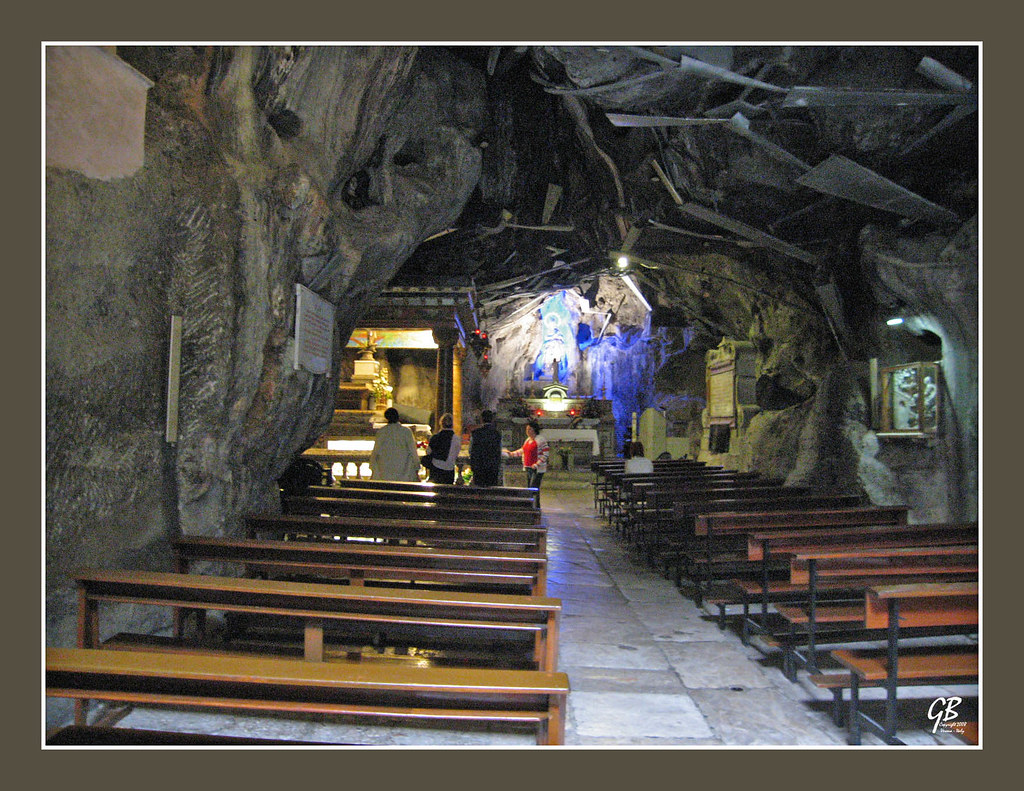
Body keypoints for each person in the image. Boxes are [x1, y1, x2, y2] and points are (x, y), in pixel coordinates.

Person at [368, 407, 420, 482]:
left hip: (384, 471)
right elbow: (413, 451)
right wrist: (417, 468)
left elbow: (376, 451)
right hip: (404, 472)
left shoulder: (382, 432)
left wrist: (372, 467)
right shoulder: (406, 431)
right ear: (398, 417)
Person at [508, 419, 549, 495]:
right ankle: (531, 501)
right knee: (529, 488)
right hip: (528, 467)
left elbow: (545, 454)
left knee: (533, 488)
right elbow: (523, 450)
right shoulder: (528, 440)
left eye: (529, 429)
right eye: (527, 429)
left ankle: (535, 501)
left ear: (534, 430)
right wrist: (512, 454)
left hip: (537, 469)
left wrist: (537, 464)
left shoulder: (541, 440)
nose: (527, 431)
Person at [468, 409, 503, 487]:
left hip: (479, 467)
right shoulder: (497, 434)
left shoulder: (476, 433)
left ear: (481, 419)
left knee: (479, 490)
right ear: (492, 419)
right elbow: (499, 451)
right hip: (492, 467)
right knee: (491, 490)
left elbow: (471, 450)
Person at [425, 413, 461, 484]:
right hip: (449, 469)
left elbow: (428, 452)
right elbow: (456, 453)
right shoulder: (456, 439)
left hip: (436, 469)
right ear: (452, 424)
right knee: (447, 489)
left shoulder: (435, 437)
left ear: (441, 424)